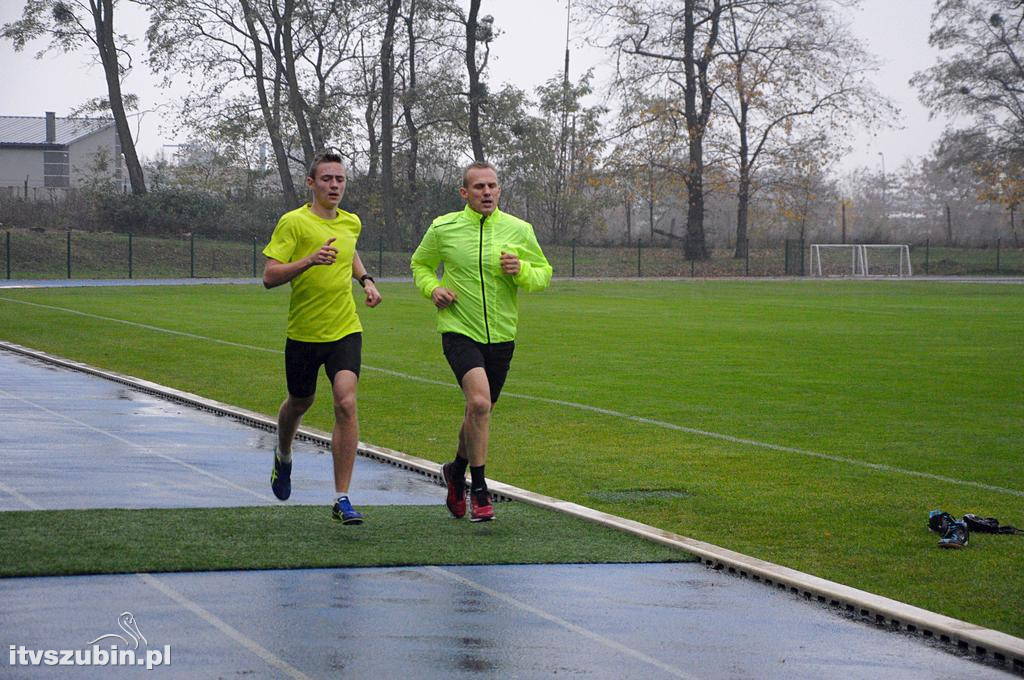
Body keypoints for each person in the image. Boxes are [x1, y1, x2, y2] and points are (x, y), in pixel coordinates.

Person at [410, 161, 552, 522]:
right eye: (478, 187)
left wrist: (522, 271)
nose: (487, 192)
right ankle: (480, 487)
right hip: (459, 328)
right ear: (464, 193)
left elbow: (544, 274)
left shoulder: (519, 230)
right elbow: (420, 264)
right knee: (479, 401)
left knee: (479, 410)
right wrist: (433, 289)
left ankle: (455, 471)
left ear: (499, 190)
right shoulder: (444, 228)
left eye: (492, 186)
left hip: (502, 334)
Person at [262, 150, 381, 525]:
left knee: (346, 403)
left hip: (345, 328)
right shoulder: (293, 223)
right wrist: (308, 261)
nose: (334, 185)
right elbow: (269, 276)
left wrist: (366, 280)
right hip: (303, 333)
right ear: (311, 183)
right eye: (327, 179)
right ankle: (283, 456)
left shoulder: (351, 222)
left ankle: (341, 497)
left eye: (340, 179)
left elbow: (348, 252)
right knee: (299, 402)